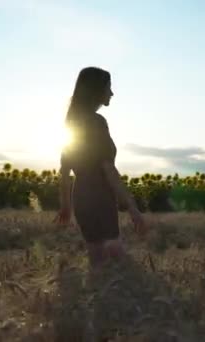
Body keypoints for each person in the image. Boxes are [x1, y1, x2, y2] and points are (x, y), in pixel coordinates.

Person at [53, 66, 147, 269]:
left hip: (81, 199)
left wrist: (66, 207)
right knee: (118, 262)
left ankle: (98, 298)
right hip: (100, 197)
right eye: (109, 87)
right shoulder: (97, 122)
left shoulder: (71, 123)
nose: (112, 93)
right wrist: (132, 208)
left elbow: (64, 172)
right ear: (96, 90)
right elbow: (108, 170)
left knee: (97, 260)